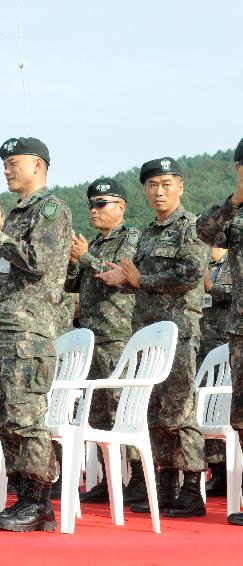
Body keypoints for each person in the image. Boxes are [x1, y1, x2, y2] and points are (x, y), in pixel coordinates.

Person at [0, 136, 72, 531]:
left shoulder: (50, 209)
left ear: (39, 166)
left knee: (25, 416)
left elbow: (37, 261)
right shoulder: (12, 215)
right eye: (5, 163)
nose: (8, 169)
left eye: (15, 162)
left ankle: (40, 502)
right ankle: (21, 497)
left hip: (27, 330)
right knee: (3, 414)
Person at [97, 156, 209, 517]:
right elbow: (139, 282)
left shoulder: (192, 227)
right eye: (152, 185)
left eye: (166, 184)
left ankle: (192, 488)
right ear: (144, 190)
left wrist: (138, 281)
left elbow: (189, 275)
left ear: (180, 187)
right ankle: (165, 485)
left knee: (181, 410)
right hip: (146, 332)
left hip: (178, 332)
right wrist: (125, 282)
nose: (159, 192)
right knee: (156, 411)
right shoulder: (147, 233)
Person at [64, 177, 143, 504]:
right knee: (98, 414)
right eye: (91, 205)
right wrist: (72, 261)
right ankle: (111, 481)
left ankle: (137, 480)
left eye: (101, 204)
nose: (93, 210)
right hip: (91, 339)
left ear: (120, 207)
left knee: (124, 411)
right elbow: (74, 285)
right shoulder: (93, 244)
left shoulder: (131, 239)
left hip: (118, 336)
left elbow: (115, 276)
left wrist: (83, 258)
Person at [195, 138, 243, 525]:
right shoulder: (237, 213)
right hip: (240, 329)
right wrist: (234, 200)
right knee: (242, 415)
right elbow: (204, 233)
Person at [200, 246, 233, 496]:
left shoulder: (234, 263)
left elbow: (236, 293)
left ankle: (228, 471)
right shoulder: (203, 264)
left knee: (225, 410)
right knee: (206, 408)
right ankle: (216, 471)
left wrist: (213, 288)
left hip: (227, 345)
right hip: (201, 346)